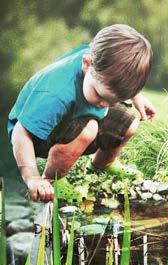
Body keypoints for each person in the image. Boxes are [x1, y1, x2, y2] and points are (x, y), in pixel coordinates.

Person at [8, 24, 156, 202]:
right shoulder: (56, 93)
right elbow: (20, 134)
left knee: (129, 122)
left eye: (113, 100)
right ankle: (51, 181)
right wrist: (31, 177)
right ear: (87, 64)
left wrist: (135, 97)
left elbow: (115, 78)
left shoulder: (102, 61)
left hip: (73, 117)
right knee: (90, 128)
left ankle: (101, 166)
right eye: (100, 96)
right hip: (36, 134)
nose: (105, 105)